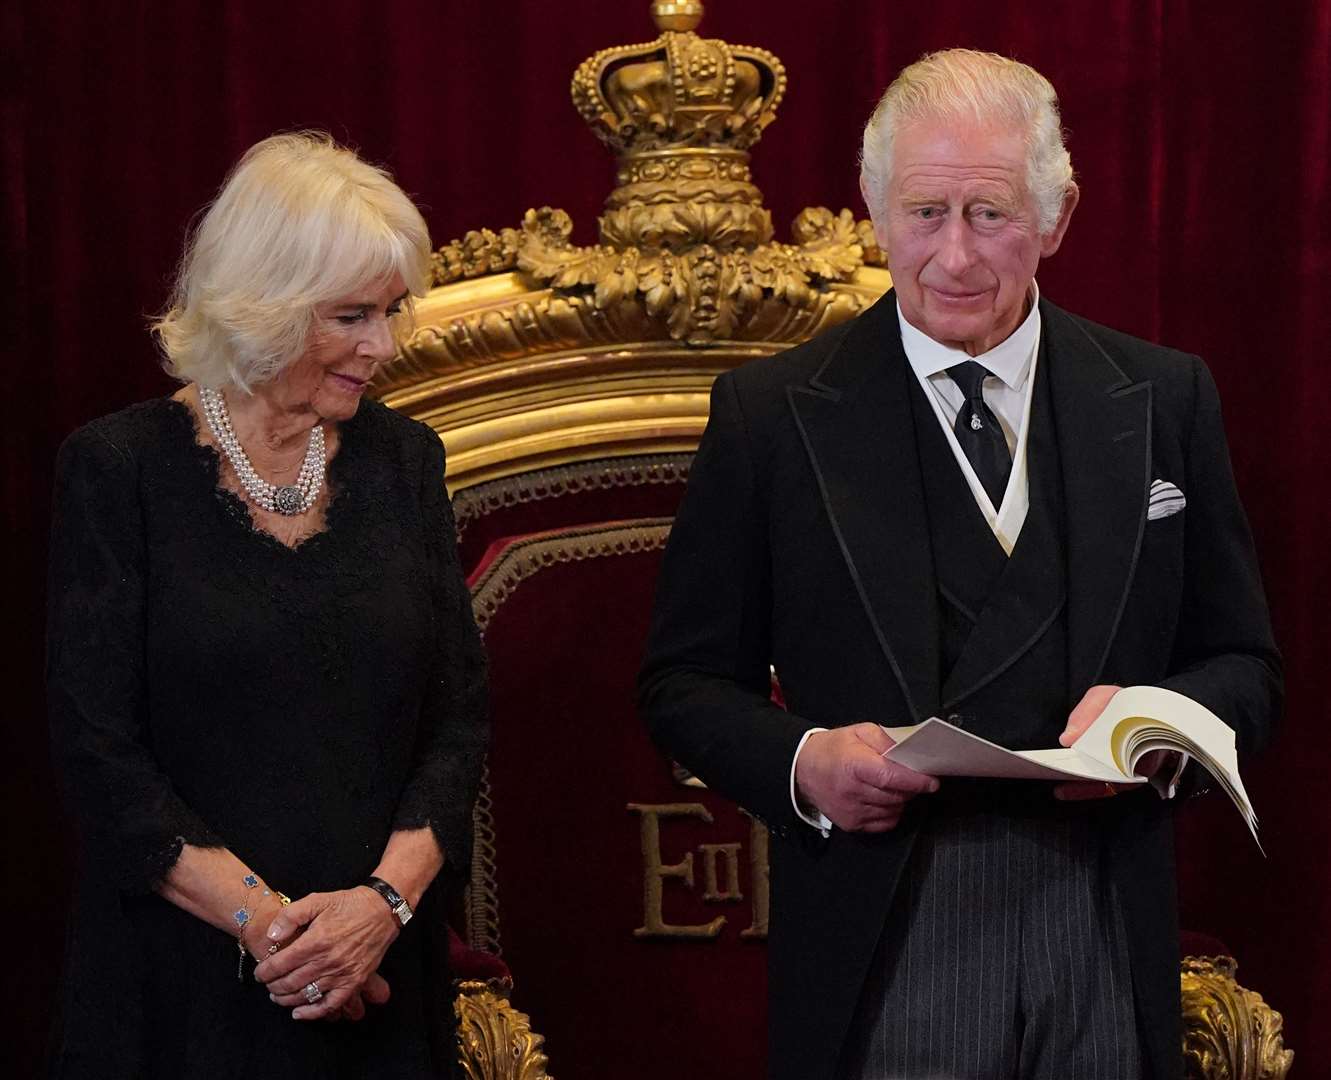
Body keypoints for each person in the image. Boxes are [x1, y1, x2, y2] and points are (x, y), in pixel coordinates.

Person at [639, 49, 1279, 1080]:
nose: (952, 257)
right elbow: (682, 684)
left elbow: (1244, 666)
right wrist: (804, 762)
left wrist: (1152, 722)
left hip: (1102, 912)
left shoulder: (1163, 399)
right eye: (923, 213)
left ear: (1056, 216)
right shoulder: (771, 418)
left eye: (989, 216)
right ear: (872, 208)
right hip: (885, 919)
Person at [46, 132, 488, 1078]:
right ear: (263, 306)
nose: (384, 345)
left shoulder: (406, 461)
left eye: (391, 311)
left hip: (380, 971)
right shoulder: (117, 469)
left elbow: (457, 725)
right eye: (351, 315)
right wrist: (282, 936)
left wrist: (381, 909)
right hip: (181, 984)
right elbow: (97, 751)